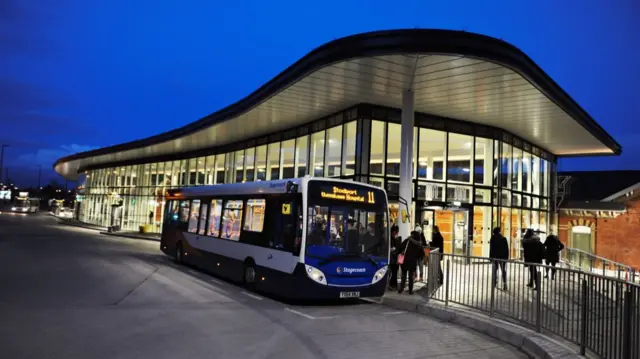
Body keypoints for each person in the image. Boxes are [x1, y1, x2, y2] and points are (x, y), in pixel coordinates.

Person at [388, 225, 401, 290]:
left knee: (395, 272)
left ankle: (393, 284)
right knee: (392, 272)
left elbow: (399, 248)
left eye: (396, 232)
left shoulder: (398, 238)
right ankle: (392, 284)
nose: (395, 233)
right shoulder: (390, 238)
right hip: (391, 257)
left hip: (396, 257)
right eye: (394, 232)